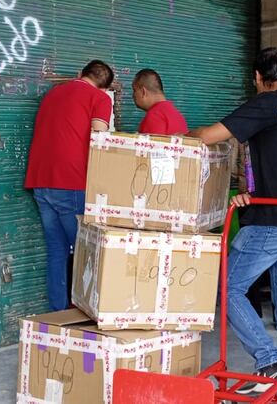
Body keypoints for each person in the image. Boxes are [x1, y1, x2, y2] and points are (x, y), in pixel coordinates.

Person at [190, 48, 277, 403]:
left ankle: (270, 360)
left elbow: (208, 136)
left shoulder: (267, 103)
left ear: (258, 78)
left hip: (273, 220)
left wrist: (181, 134)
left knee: (227, 287)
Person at [24, 60, 114, 310]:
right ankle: (90, 312)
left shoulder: (53, 93)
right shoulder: (100, 98)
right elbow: (99, 139)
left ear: (80, 74)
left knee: (57, 250)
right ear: (105, 88)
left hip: (40, 181)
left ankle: (58, 314)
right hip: (72, 181)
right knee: (87, 252)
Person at [132, 68, 187, 135]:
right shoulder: (178, 115)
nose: (133, 95)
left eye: (134, 90)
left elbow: (151, 145)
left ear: (143, 92)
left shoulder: (155, 116)